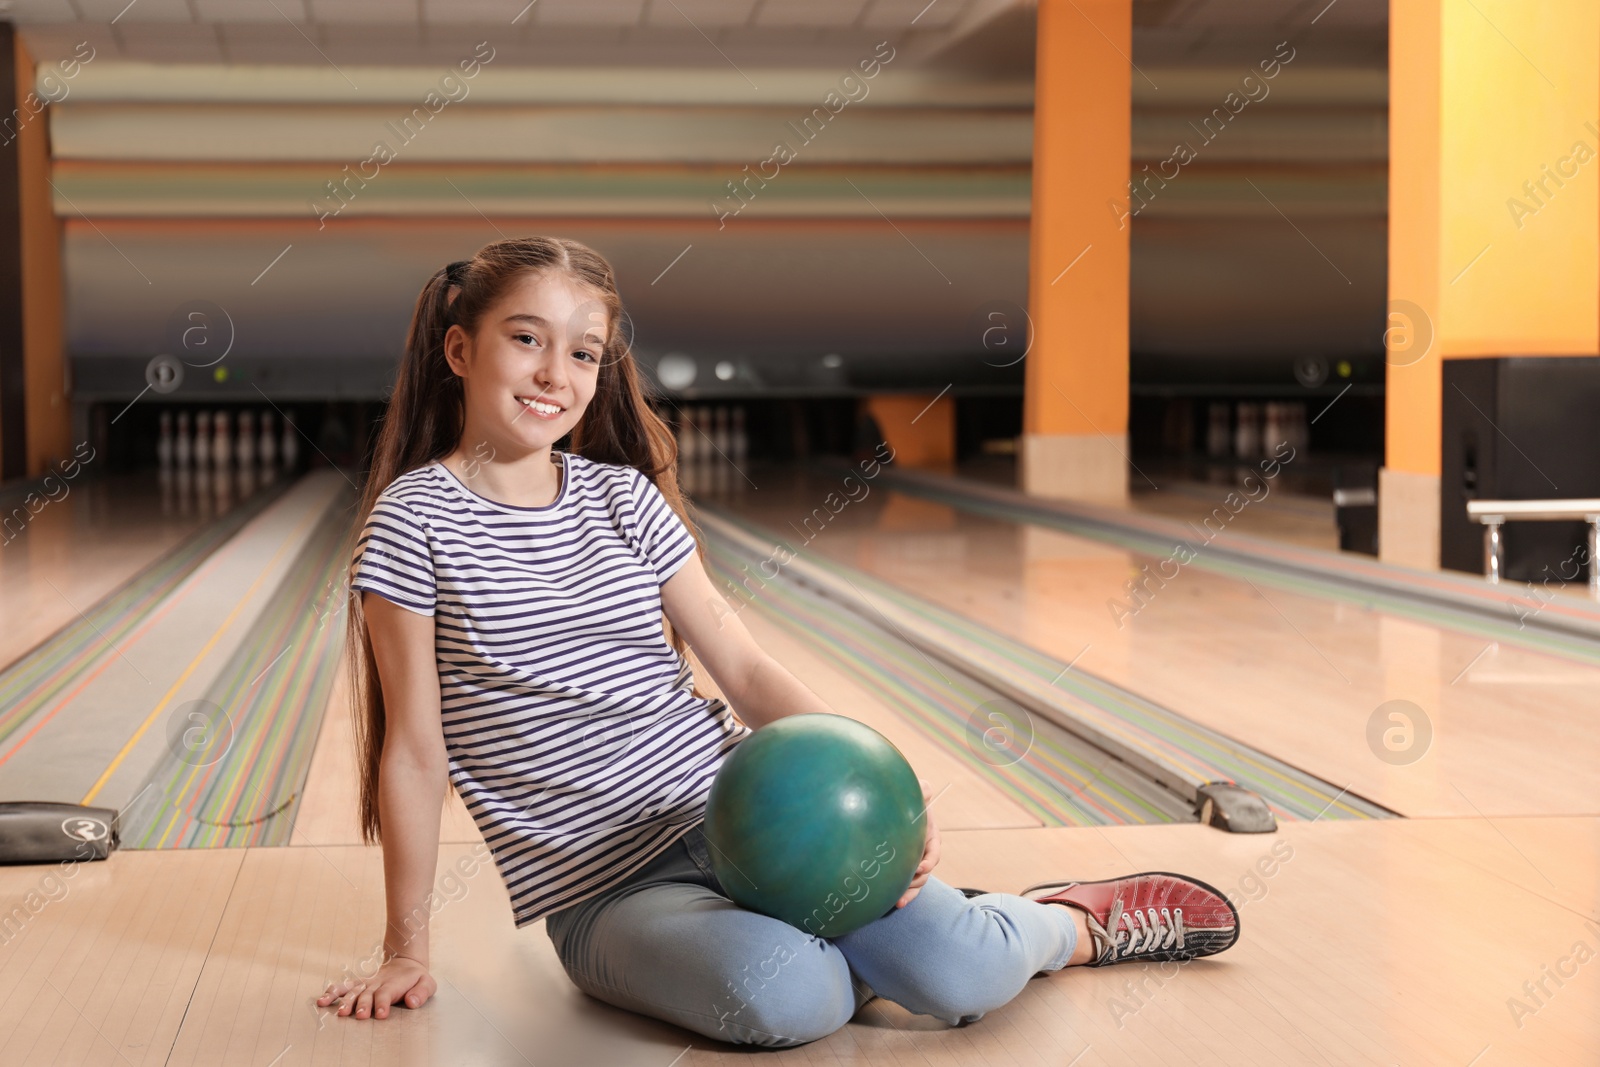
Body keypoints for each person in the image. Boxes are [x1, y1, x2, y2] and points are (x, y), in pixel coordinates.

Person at [318, 236, 1241, 1048]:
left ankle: (1059, 923)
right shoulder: (415, 521)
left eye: (583, 351)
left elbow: (746, 668)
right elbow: (415, 752)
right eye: (527, 338)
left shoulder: (621, 497)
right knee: (789, 1000)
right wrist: (407, 949)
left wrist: (890, 794)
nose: (555, 372)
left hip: (765, 821)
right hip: (609, 895)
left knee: (959, 976)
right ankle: (838, 952)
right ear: (459, 348)